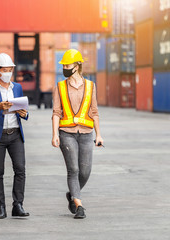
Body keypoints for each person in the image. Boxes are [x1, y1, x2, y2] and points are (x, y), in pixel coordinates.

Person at [51, 49, 103, 219]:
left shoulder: (90, 86)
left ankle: (72, 195)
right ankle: (79, 205)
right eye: (64, 65)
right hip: (67, 133)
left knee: (85, 172)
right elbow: (56, 112)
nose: (65, 67)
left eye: (68, 64)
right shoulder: (59, 86)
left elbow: (94, 112)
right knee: (73, 169)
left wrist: (99, 135)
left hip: (87, 133)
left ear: (78, 65)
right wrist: (54, 134)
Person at [0, 53, 30, 219]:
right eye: (5, 70)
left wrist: (24, 114)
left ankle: (18, 205)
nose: (8, 72)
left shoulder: (17, 87)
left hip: (15, 133)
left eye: (10, 69)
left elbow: (23, 111)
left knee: (20, 170)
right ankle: (1, 207)